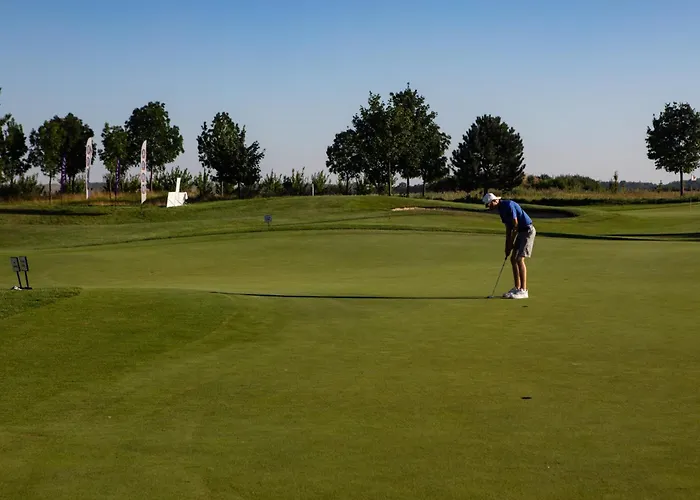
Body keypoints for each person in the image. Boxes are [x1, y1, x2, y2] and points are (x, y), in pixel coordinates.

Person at [482, 193, 536, 299]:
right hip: (520, 232)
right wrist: (507, 246)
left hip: (527, 230)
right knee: (513, 258)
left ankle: (524, 290)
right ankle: (517, 287)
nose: (488, 207)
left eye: (488, 204)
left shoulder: (508, 205)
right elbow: (508, 228)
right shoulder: (501, 210)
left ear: (495, 201)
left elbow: (515, 224)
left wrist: (511, 242)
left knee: (519, 259)